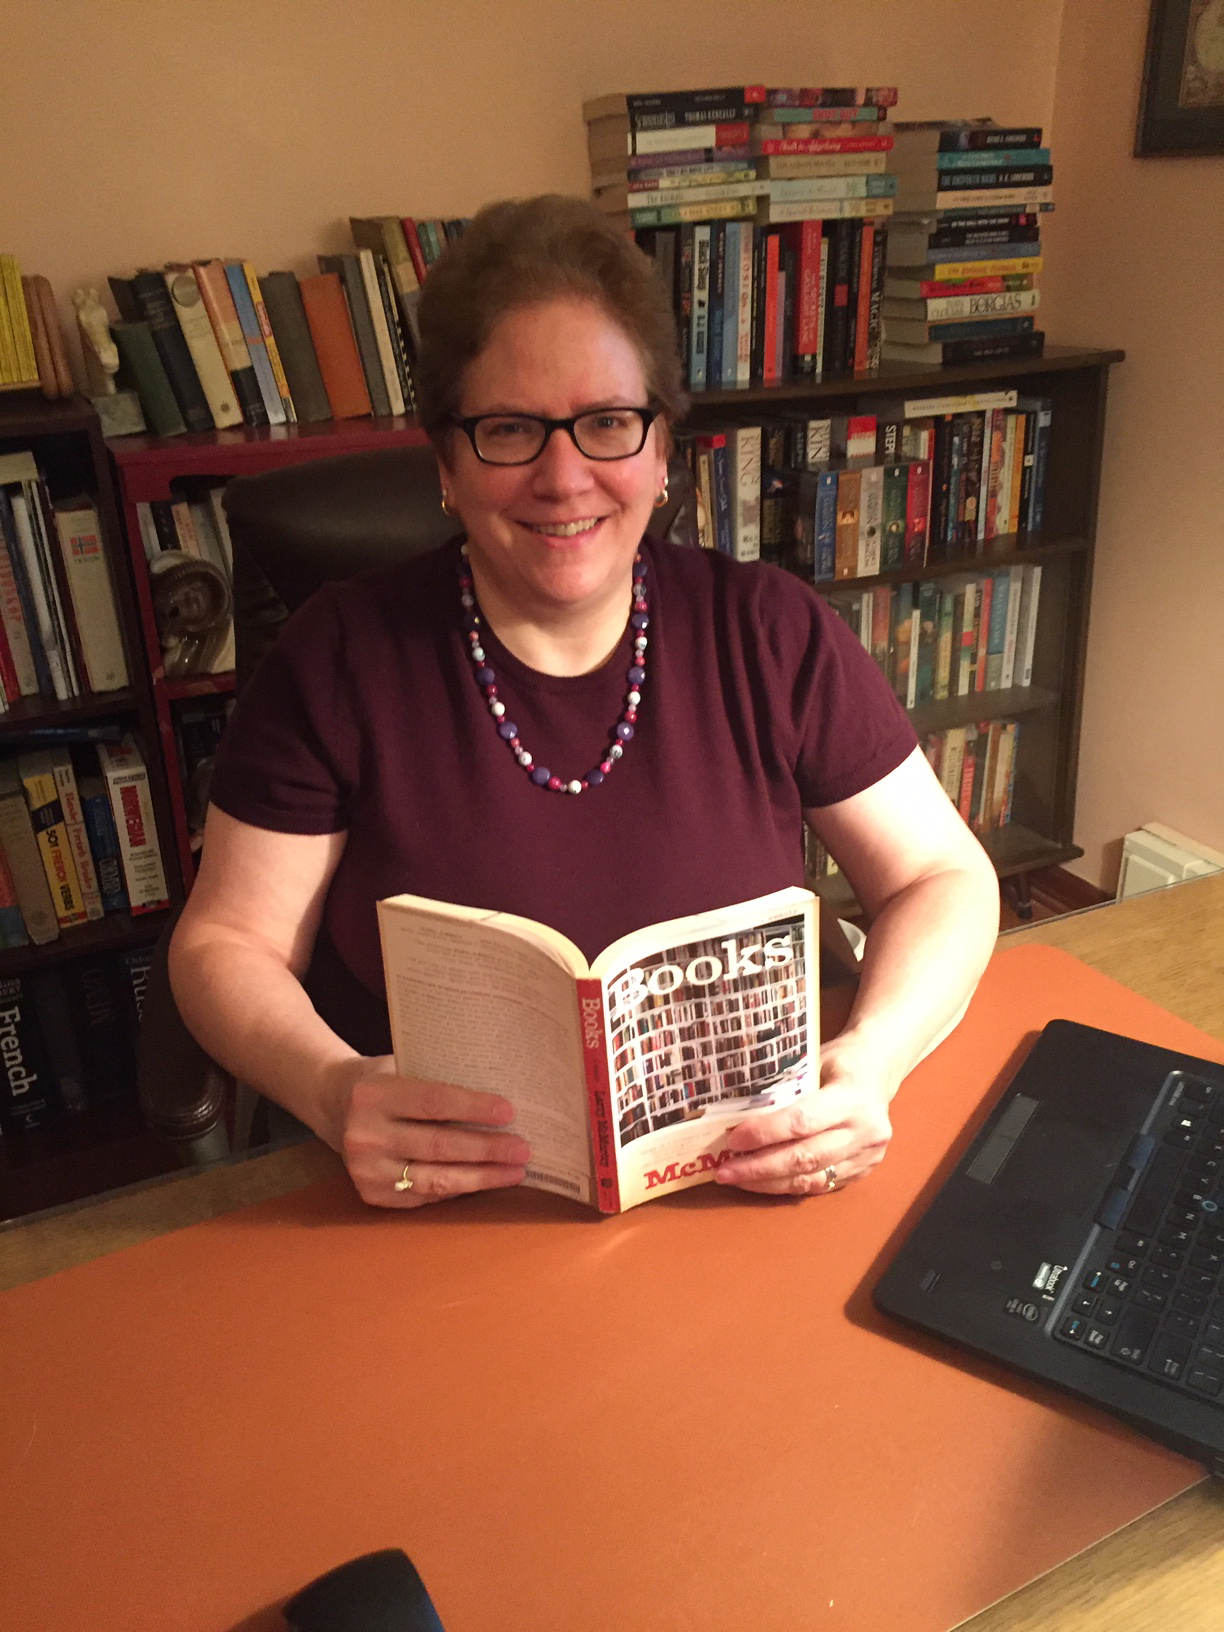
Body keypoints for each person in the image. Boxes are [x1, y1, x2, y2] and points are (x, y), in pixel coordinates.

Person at [169, 194, 999, 1212]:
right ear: (446, 462)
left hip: (751, 1190)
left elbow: (943, 875)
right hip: (445, 1205)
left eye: (607, 424)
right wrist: (332, 1087)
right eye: (511, 430)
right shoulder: (340, 657)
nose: (565, 479)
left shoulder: (770, 632)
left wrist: (873, 1062)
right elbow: (224, 947)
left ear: (660, 454)